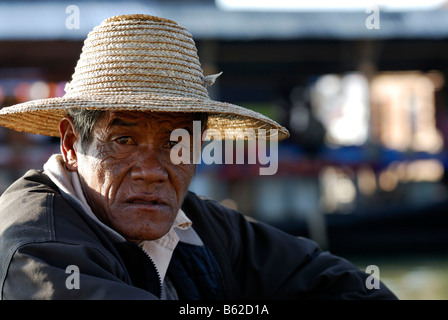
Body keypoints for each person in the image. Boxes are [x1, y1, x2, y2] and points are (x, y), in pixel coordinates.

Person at [0, 14, 397, 300]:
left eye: (177, 143)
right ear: (70, 144)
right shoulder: (33, 246)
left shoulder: (201, 224)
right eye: (123, 139)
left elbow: (352, 287)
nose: (152, 171)